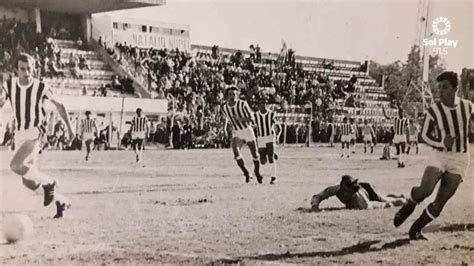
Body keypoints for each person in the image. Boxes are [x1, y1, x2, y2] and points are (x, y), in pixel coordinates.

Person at [393, 71, 473, 240]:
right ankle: (409, 205)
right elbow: (423, 135)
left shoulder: (468, 107)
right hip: (440, 155)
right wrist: (442, 142)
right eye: (439, 88)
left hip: (460, 159)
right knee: (425, 190)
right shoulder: (435, 109)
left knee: (439, 203)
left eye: (445, 88)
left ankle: (416, 229)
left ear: (455, 89)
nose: (440, 92)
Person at [0, 53, 74, 218]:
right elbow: (1, 99)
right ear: (16, 70)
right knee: (27, 180)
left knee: (15, 165)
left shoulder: (41, 86)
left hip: (35, 132)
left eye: (29, 69)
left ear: (34, 69)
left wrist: (70, 128)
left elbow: (59, 105)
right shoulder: (9, 84)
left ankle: (50, 182)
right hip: (19, 133)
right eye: (22, 69)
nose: (26, 73)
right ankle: (60, 201)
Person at [221, 86, 263, 183]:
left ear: (238, 95)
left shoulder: (242, 104)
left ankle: (257, 171)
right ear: (227, 96)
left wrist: (240, 119)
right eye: (230, 94)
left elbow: (252, 119)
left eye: (234, 94)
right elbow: (226, 117)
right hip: (237, 132)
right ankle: (247, 173)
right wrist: (224, 127)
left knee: (255, 154)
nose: (232, 96)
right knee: (236, 153)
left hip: (247, 130)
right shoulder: (224, 107)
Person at [310, 175, 406, 210]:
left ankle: (406, 200)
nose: (352, 190)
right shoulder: (335, 189)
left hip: (367, 190)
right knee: (383, 196)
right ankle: (400, 195)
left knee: (385, 200)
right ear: (343, 187)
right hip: (362, 190)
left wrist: (385, 205)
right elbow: (317, 196)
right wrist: (315, 206)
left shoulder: (358, 195)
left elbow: (369, 206)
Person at [254, 97, 280, 184]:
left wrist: (277, 136)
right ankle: (261, 174)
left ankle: (274, 177)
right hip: (261, 138)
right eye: (261, 103)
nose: (263, 105)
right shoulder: (256, 115)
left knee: (270, 157)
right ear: (258, 105)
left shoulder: (271, 114)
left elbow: (278, 126)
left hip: (270, 137)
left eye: (264, 103)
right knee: (263, 160)